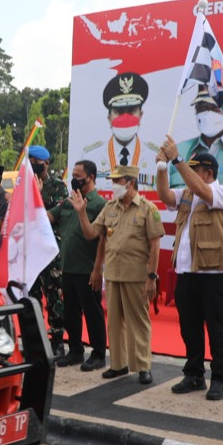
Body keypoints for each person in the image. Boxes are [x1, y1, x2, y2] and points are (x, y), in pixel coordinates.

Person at [156, 141, 223, 400]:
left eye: (193, 169)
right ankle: (194, 374)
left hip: (212, 274)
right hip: (186, 272)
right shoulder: (187, 195)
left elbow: (200, 188)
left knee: (217, 329)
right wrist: (161, 167)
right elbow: (165, 195)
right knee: (189, 327)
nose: (186, 174)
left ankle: (220, 379)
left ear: (208, 172)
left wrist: (176, 158)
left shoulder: (222, 193)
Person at [73, 165, 165, 385]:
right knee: (114, 322)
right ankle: (118, 364)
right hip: (113, 273)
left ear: (130, 182)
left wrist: (151, 277)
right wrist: (82, 213)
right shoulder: (110, 207)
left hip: (136, 274)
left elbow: (155, 247)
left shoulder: (147, 209)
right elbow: (92, 234)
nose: (113, 185)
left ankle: (142, 366)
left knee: (139, 322)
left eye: (117, 181)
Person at [48, 160, 108, 371]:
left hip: (87, 268)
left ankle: (99, 354)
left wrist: (97, 269)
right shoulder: (67, 202)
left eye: (78, 175)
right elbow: (48, 217)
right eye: (72, 174)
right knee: (71, 312)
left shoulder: (99, 204)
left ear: (90, 178)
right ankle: (75, 351)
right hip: (68, 267)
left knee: (92, 312)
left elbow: (102, 239)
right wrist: (35, 196)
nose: (73, 178)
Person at [27, 145, 70, 356]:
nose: (34, 166)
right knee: (32, 297)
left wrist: (38, 194)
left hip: (51, 251)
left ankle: (57, 341)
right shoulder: (24, 186)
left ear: (46, 163)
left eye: (37, 162)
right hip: (31, 251)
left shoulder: (58, 187)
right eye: (31, 162)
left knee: (54, 297)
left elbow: (50, 217)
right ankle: (36, 340)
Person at [79, 72, 160, 180]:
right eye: (119, 111)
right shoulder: (91, 156)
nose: (125, 118)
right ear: (109, 118)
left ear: (140, 116)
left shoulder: (155, 157)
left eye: (132, 111)